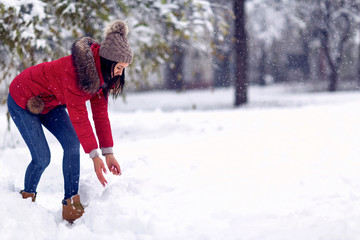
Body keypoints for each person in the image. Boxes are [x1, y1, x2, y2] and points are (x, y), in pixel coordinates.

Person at [7, 20, 132, 223]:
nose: (121, 73)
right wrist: (94, 156)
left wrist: (108, 153)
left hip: (50, 102)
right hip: (23, 97)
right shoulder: (78, 74)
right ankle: (25, 204)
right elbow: (80, 117)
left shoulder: (101, 79)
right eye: (119, 67)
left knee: (72, 144)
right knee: (42, 157)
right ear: (109, 61)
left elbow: (100, 115)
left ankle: (71, 205)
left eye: (124, 68)